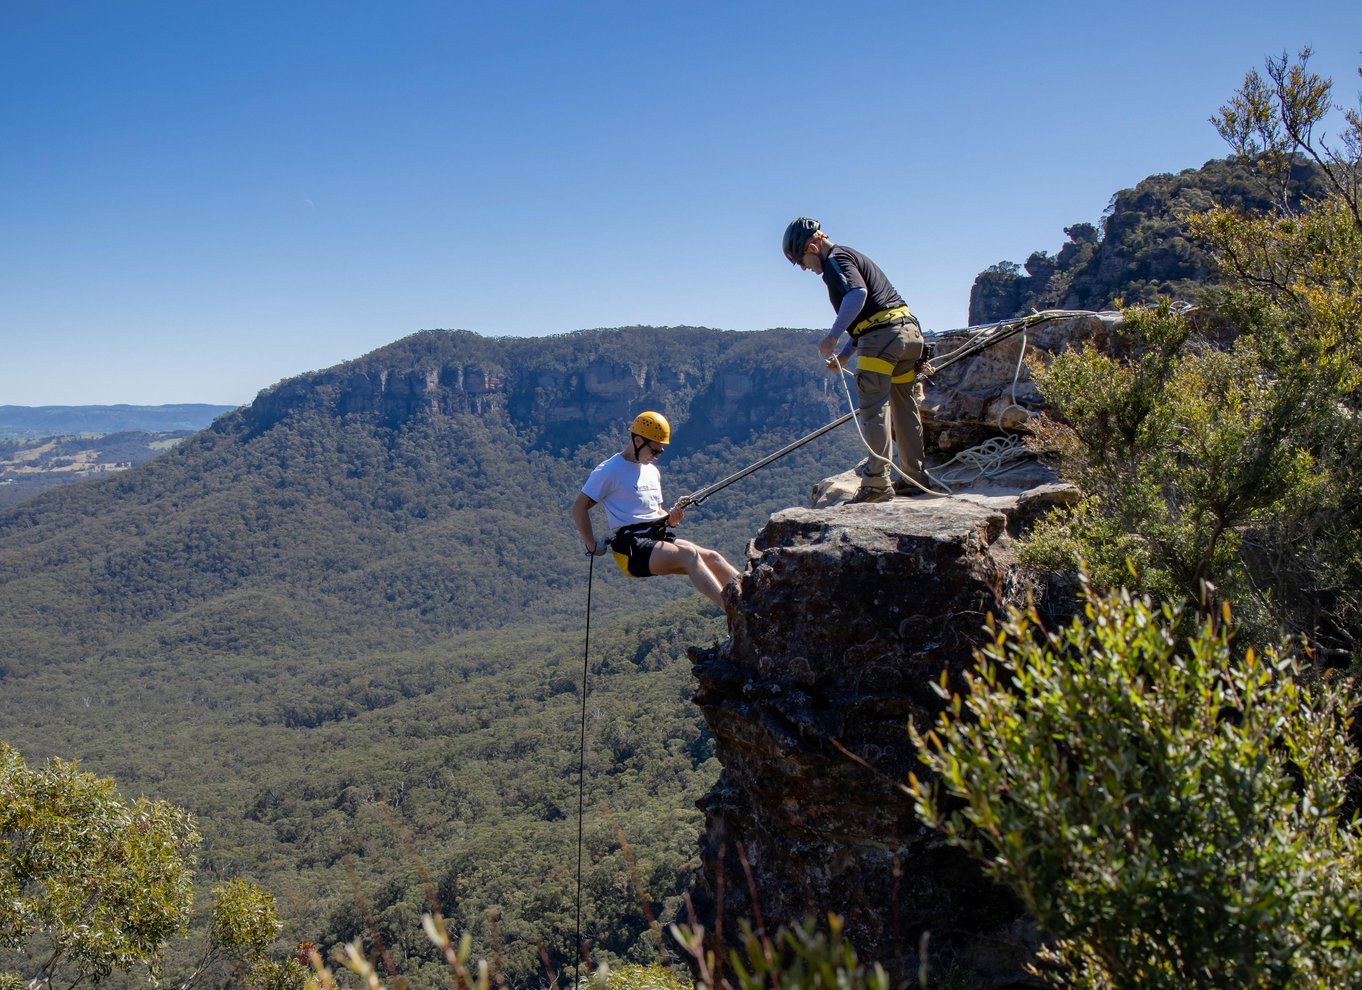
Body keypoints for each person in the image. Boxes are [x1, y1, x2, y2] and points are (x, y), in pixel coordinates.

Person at [783, 217, 930, 502]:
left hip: (883, 338)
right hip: (908, 334)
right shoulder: (853, 256)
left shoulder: (836, 259)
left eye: (801, 260)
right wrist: (846, 354)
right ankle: (915, 477)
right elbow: (870, 318)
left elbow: (857, 294)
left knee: (875, 409)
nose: (804, 268)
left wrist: (832, 336)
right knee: (904, 407)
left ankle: (876, 483)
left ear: (812, 246)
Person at [571, 411, 740, 608]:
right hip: (631, 549)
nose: (657, 456)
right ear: (638, 440)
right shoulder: (609, 470)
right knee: (689, 556)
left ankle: (751, 597)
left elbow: (656, 512)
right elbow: (579, 507)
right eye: (654, 451)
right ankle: (734, 612)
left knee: (713, 558)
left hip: (655, 537)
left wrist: (670, 519)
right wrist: (591, 544)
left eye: (660, 452)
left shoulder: (652, 472)